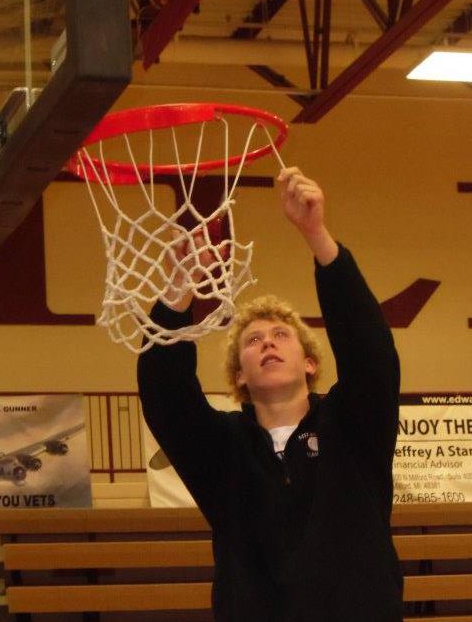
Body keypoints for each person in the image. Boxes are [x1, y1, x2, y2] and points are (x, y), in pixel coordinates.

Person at [137, 167, 403, 622]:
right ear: (239, 375)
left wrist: (317, 236)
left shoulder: (352, 426)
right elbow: (165, 394)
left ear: (310, 362)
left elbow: (371, 351)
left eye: (281, 335)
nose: (267, 344)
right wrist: (179, 287)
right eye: (253, 341)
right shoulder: (221, 448)